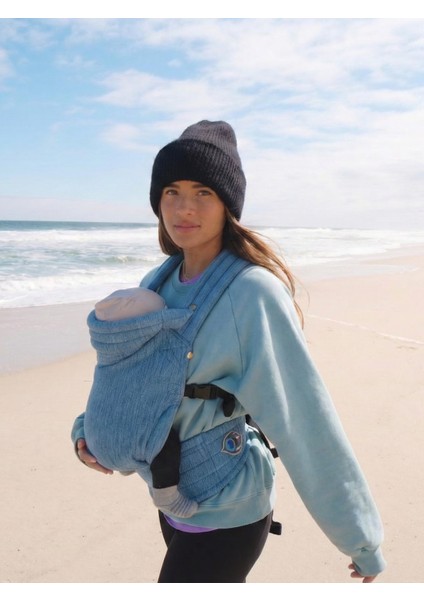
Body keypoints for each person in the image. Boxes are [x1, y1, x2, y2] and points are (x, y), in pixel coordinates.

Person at [71, 120, 387, 583]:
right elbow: (127, 378)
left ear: (228, 205)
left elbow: (305, 420)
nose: (184, 207)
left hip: (230, 509)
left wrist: (361, 538)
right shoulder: (158, 281)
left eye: (203, 192)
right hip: (172, 498)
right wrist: (88, 433)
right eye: (172, 192)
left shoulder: (251, 293)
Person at [74, 286, 198, 518]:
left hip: (95, 441)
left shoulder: (109, 350)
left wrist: (80, 435)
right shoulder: (152, 304)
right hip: (130, 446)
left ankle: (131, 460)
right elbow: (184, 319)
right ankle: (166, 496)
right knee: (165, 440)